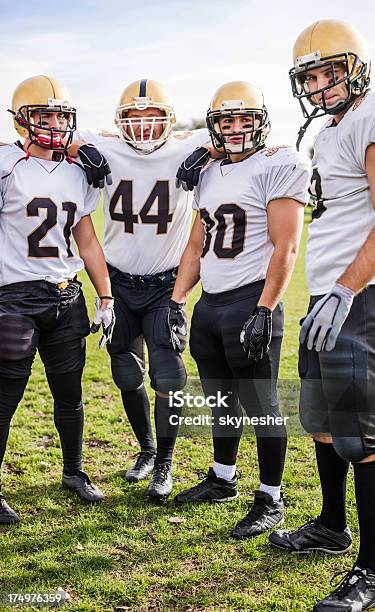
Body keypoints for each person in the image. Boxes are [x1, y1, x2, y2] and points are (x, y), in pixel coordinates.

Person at [268, 20, 375, 611]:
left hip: (360, 294)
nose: (321, 84)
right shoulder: (328, 131)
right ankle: (331, 526)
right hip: (328, 295)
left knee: (358, 434)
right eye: (311, 76)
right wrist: (329, 292)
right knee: (322, 423)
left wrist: (348, 290)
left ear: (356, 67)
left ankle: (371, 573)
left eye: (330, 71)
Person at [170, 81, 311, 537]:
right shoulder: (208, 172)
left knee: (263, 405)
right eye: (226, 121)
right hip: (210, 303)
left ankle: (272, 498)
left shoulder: (280, 163)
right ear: (214, 126)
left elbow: (287, 244)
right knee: (221, 400)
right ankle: (223, 478)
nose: (235, 129)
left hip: (251, 299)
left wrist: (266, 308)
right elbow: (197, 241)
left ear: (261, 122)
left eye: (244, 120)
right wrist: (177, 299)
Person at [74, 79, 211, 502]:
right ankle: (147, 450)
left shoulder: (191, 143)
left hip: (165, 283)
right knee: (126, 374)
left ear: (169, 120)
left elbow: (234, 135)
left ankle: (166, 463)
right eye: (133, 118)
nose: (143, 126)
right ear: (120, 121)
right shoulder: (103, 143)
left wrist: (208, 152)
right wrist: (80, 151)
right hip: (117, 281)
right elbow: (56, 133)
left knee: (168, 375)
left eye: (152, 117)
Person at [0, 75, 115, 524]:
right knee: (5, 400)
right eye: (43, 115)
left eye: (61, 115)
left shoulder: (77, 171)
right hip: (15, 298)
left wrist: (105, 296)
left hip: (66, 297)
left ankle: (73, 471)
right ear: (21, 120)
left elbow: (86, 241)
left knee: (70, 393)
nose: (54, 123)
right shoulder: (7, 163)